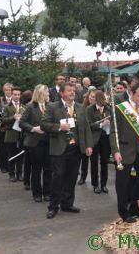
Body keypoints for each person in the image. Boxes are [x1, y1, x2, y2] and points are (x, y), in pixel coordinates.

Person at [41, 82, 94, 219]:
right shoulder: (53, 107)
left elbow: (86, 127)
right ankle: (53, 207)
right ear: (62, 93)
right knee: (58, 177)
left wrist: (89, 145)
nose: (72, 93)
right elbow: (44, 124)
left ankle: (67, 204)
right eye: (69, 90)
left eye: (73, 90)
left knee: (71, 178)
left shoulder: (80, 107)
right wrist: (59, 127)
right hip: (59, 149)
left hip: (75, 148)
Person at [109, 82, 139, 223]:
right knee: (123, 183)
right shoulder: (120, 109)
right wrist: (115, 151)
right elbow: (113, 132)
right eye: (138, 96)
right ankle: (124, 212)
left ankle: (136, 208)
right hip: (124, 150)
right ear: (131, 93)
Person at [19, 85, 52, 202]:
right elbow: (22, 122)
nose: (49, 94)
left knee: (48, 169)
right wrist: (33, 128)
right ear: (41, 94)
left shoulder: (50, 106)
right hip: (35, 142)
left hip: (49, 142)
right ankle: (37, 193)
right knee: (36, 169)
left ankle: (47, 193)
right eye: (47, 93)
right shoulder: (30, 107)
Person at [85, 90, 112, 193]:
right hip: (94, 139)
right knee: (94, 163)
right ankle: (95, 184)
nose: (102, 104)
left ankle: (103, 184)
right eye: (100, 102)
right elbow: (88, 125)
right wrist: (101, 125)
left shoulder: (108, 108)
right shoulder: (89, 109)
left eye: (104, 101)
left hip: (106, 138)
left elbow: (113, 121)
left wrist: (109, 124)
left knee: (104, 162)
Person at [1, 87, 25, 182]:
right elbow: (3, 120)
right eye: (15, 94)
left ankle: (19, 173)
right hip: (11, 133)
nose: (17, 96)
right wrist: (13, 117)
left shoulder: (24, 107)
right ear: (11, 95)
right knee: (11, 154)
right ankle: (11, 173)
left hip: (21, 134)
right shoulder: (7, 107)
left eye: (18, 94)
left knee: (20, 155)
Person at [79, 89, 97, 185]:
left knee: (94, 160)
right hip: (84, 136)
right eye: (91, 96)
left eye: (94, 97)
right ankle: (83, 176)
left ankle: (94, 181)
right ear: (87, 97)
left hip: (94, 137)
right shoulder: (82, 107)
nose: (92, 98)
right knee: (84, 158)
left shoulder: (97, 108)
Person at [0, 83, 13, 173]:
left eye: (9, 90)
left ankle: (10, 165)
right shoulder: (0, 100)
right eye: (6, 90)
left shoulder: (15, 99)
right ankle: (3, 166)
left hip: (12, 127)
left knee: (10, 148)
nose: (8, 91)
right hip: (2, 127)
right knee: (3, 148)